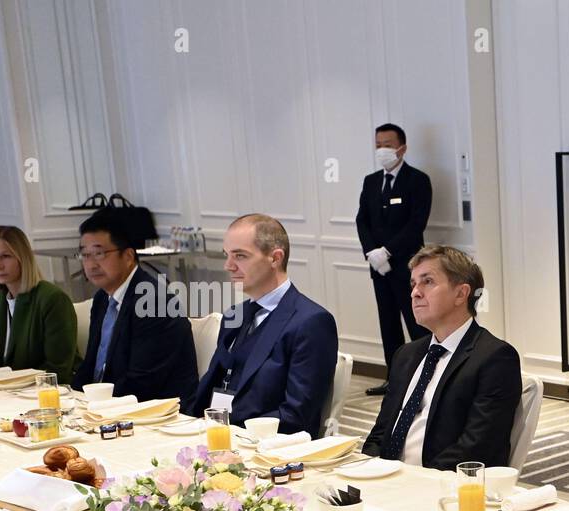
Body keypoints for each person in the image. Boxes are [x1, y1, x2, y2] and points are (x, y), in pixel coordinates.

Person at [362, 245, 520, 468]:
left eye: (427, 281)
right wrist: (367, 471)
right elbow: (381, 432)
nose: (415, 292)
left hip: (442, 488)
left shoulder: (494, 358)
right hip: (388, 480)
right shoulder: (406, 355)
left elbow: (477, 446)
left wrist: (412, 480)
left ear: (461, 294)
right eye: (413, 283)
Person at [189, 214, 338, 438]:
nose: (228, 266)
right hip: (213, 434)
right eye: (226, 255)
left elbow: (297, 414)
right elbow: (214, 386)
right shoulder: (234, 316)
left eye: (240, 256)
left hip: (268, 448)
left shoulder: (311, 322)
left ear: (275, 258)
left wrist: (229, 428)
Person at [71, 209, 197, 399]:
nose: (91, 265)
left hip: (153, 413)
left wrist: (95, 403)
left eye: (99, 253)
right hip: (108, 406)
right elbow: (91, 366)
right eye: (85, 255)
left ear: (129, 257)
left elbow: (142, 382)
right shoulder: (102, 299)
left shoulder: (154, 302)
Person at [356, 123, 433, 395]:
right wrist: (372, 253)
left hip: (408, 266)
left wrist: (388, 251)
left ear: (402, 148)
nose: (382, 150)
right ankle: (395, 380)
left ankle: (426, 379)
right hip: (378, 267)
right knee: (388, 324)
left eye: (387, 145)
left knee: (417, 322)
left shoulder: (417, 180)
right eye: (378, 145)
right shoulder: (371, 181)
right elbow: (362, 220)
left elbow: (416, 224)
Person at [0, 225, 78, 382]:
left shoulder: (52, 299)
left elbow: (58, 368)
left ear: (23, 257)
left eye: (6, 256)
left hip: (49, 392)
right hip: (7, 395)